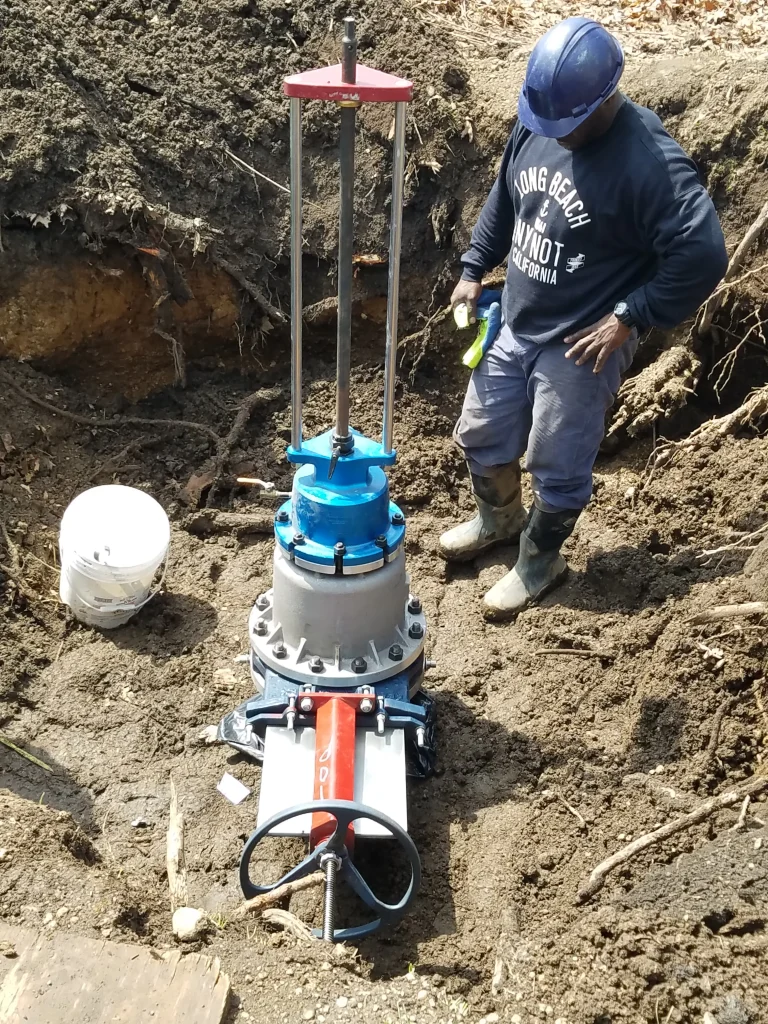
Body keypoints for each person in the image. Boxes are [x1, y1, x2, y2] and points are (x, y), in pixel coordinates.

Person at [440, 16, 728, 620]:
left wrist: (632, 314)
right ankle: (499, 520)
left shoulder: (648, 162)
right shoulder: (543, 118)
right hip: (517, 317)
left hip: (581, 341)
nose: (554, 134)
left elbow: (703, 254)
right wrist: (473, 268)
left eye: (566, 126)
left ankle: (539, 561)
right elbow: (505, 196)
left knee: (556, 457)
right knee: (483, 430)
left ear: (602, 102)